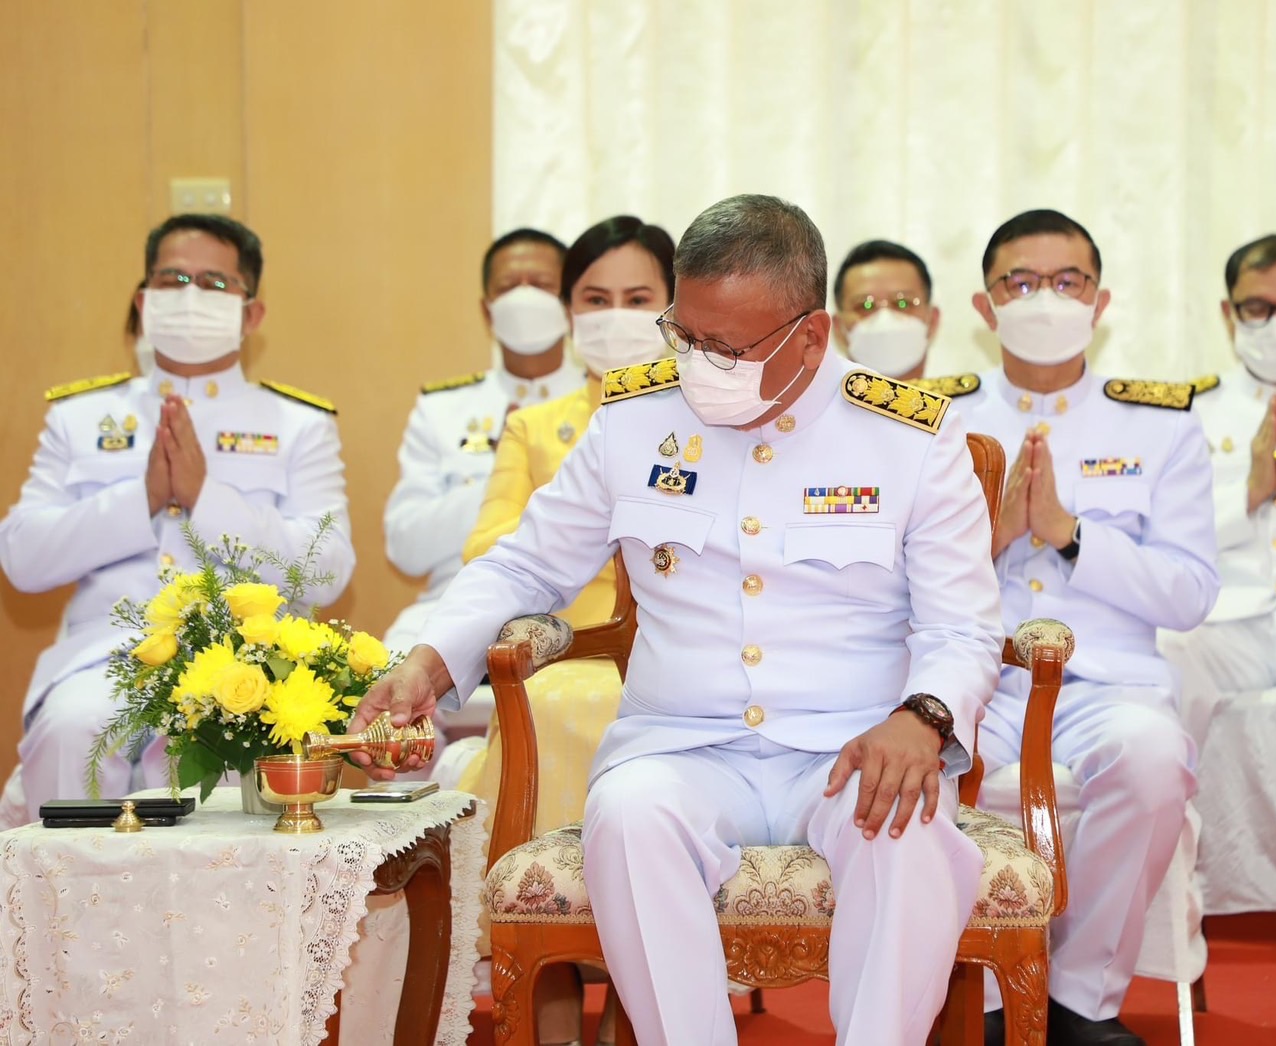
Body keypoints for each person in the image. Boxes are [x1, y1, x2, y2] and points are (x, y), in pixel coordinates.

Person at [351, 193, 1002, 1046]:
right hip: (682, 748)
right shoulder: (633, 420)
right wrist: (427, 662)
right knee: (628, 817)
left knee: (908, 831)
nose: (699, 366)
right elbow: (526, 563)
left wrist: (925, 717)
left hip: (852, 747)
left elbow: (962, 626)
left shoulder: (909, 437)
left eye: (727, 349)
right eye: (684, 336)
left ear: (812, 336)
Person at [962, 209, 1219, 1046]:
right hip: (976, 675)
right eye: (1020, 282)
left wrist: (1071, 535)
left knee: (1154, 763)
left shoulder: (1161, 424)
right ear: (984, 305)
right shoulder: (933, 420)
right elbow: (887, 584)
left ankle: (1080, 1002)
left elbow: (1189, 593)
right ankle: (983, 1000)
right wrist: (997, 536)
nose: (1045, 298)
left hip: (1108, 682)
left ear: (1099, 303)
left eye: (1067, 282)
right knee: (928, 771)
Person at [0, 213, 354, 813]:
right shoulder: (78, 417)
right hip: (103, 657)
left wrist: (204, 499)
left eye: (215, 283)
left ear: (251, 314)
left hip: (238, 666)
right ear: (144, 302)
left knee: (217, 760)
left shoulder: (299, 424)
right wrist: (140, 499)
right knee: (72, 730)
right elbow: (23, 558)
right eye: (173, 279)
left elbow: (327, 570)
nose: (192, 295)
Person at [451, 213, 676, 1046]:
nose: (616, 316)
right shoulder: (536, 426)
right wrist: (595, 538)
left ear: (675, 307)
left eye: (639, 299)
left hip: (672, 660)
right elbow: (490, 550)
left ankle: (629, 1024)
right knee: (552, 706)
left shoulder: (708, 418)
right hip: (563, 659)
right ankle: (545, 1009)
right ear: (569, 309)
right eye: (595, 298)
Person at [1156, 234, 1276, 915]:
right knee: (1157, 670)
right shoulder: (1184, 411)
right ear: (1227, 313)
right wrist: (1248, 497)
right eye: (1257, 308)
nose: (1275, 325)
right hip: (1223, 621)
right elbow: (1161, 541)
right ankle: (1167, 892)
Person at [382, 228, 581, 659]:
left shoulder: (601, 402)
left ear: (570, 303)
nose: (524, 297)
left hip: (575, 606)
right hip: (453, 600)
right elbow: (405, 548)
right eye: (509, 287)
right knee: (388, 672)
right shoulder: (443, 408)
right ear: (486, 310)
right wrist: (503, 471)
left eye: (542, 285)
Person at [831, 238, 981, 401]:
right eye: (866, 306)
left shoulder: (965, 410)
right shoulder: (815, 412)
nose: (885, 320)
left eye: (902, 303)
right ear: (838, 328)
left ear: (932, 321)